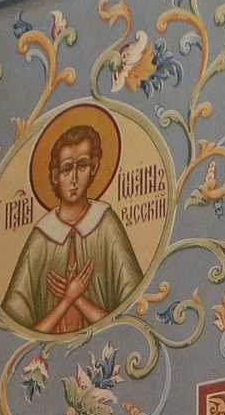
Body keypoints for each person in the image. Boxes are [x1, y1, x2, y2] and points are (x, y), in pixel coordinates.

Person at [8, 119, 146, 333]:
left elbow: (133, 310)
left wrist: (75, 298)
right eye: (66, 169)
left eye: (82, 166)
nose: (74, 178)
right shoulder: (41, 238)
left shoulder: (107, 225)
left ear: (94, 167)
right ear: (54, 176)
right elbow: (15, 325)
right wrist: (68, 300)